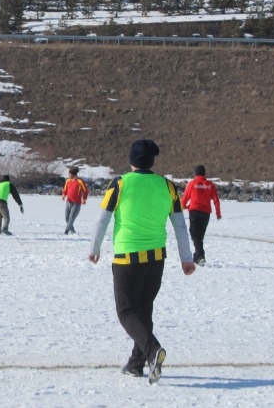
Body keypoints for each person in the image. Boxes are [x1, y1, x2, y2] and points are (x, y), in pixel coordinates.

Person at [88, 139, 195, 385]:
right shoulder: (167, 185)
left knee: (126, 312)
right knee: (144, 311)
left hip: (127, 257)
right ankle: (136, 364)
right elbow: (180, 224)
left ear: (131, 161)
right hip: (156, 259)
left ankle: (152, 350)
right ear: (152, 161)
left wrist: (94, 248)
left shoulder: (120, 183)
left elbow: (103, 218)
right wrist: (186, 258)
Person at [180, 165, 222, 266]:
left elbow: (185, 198)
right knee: (199, 236)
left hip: (194, 211)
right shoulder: (210, 184)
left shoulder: (192, 184)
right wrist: (218, 213)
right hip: (205, 213)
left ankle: (200, 256)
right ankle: (196, 257)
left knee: (195, 234)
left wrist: (182, 207)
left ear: (195, 173)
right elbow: (216, 199)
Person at [62, 166, 89, 234]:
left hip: (76, 203)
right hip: (68, 201)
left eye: (69, 174)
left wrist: (84, 199)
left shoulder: (80, 181)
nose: (68, 175)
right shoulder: (68, 181)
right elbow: (65, 189)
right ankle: (72, 230)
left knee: (71, 218)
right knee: (67, 218)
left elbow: (85, 191)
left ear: (73, 174)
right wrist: (64, 195)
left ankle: (66, 231)